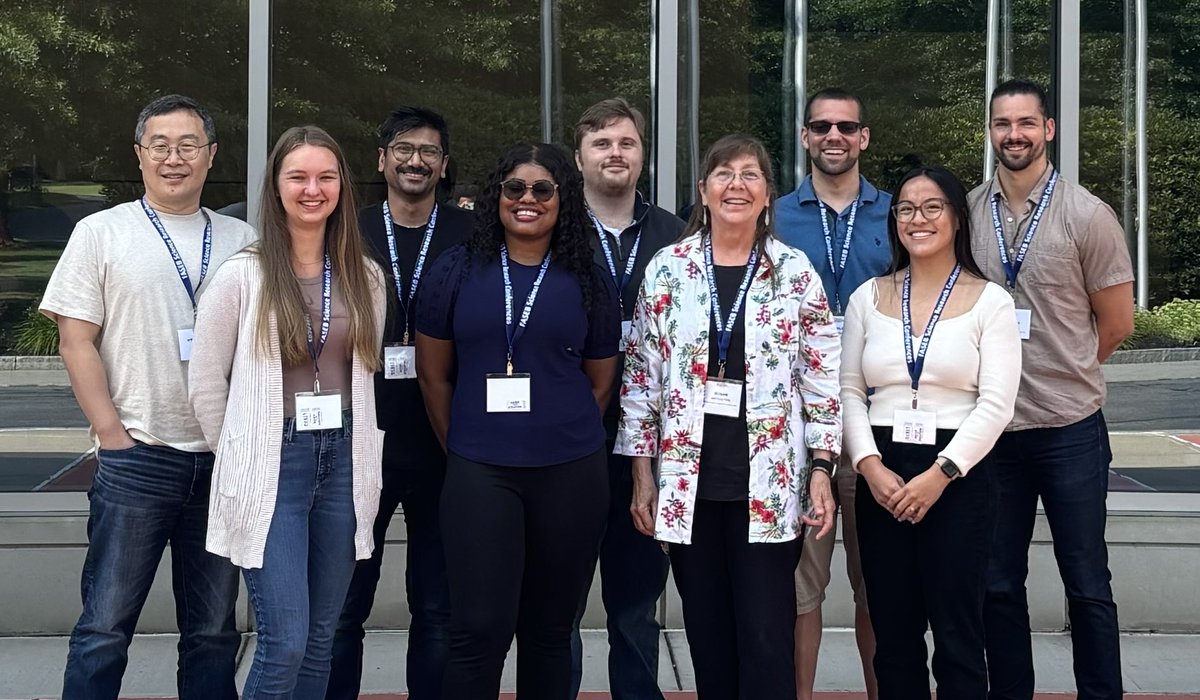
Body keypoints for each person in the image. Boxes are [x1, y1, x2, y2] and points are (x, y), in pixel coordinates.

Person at [40, 94, 251, 699]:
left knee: (212, 631)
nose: (174, 158)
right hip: (139, 455)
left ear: (211, 156)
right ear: (139, 155)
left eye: (188, 145)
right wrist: (113, 435)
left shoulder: (242, 240)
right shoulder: (101, 232)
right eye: (160, 145)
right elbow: (75, 339)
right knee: (105, 626)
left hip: (220, 461)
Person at [617, 134, 840, 699]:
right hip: (688, 487)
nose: (736, 185)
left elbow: (821, 379)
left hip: (769, 488)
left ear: (768, 195)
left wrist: (822, 468)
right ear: (704, 190)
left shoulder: (794, 272)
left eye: (750, 175)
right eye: (723, 174)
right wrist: (642, 475)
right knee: (707, 636)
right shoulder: (669, 269)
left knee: (766, 638)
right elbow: (642, 379)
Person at [415, 143, 620, 699]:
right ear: (496, 196)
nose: (527, 200)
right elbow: (433, 376)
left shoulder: (588, 277)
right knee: (477, 631)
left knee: (551, 632)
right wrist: (464, 443)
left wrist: (560, 433)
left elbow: (602, 380)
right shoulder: (455, 270)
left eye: (542, 190)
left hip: (571, 472)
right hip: (481, 471)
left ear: (563, 200)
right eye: (514, 189)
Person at [188, 125, 386, 697]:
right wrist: (237, 451)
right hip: (274, 461)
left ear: (342, 188)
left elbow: (364, 373)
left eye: (325, 177)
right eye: (297, 177)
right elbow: (205, 379)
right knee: (286, 642)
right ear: (275, 187)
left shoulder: (363, 276)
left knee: (322, 639)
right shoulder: (242, 275)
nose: (312, 189)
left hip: (345, 460)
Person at [971, 79, 1134, 700]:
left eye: (1026, 123)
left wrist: (1066, 373)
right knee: (996, 583)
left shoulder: (1088, 215)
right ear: (990, 132)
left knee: (1087, 582)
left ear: (1049, 130)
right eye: (1002, 123)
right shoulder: (968, 209)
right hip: (994, 433)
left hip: (1070, 429)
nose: (1014, 134)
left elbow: (1116, 324)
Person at [841, 165, 1020, 697]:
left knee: (958, 631)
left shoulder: (991, 302)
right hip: (882, 471)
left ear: (957, 219)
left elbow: (997, 403)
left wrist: (941, 474)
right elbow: (849, 391)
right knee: (893, 635)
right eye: (906, 209)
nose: (918, 219)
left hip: (958, 475)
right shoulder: (866, 299)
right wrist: (869, 467)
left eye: (932, 207)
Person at [327, 106, 472, 700]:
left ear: (443, 165)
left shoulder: (472, 235)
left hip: (444, 443)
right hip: (359, 444)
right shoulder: (345, 229)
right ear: (381, 159)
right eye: (404, 150)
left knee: (438, 609)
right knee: (343, 607)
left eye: (429, 152)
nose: (417, 161)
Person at [773, 87, 890, 700]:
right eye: (822, 127)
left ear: (864, 136)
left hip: (880, 421)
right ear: (805, 136)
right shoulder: (773, 215)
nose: (834, 136)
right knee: (801, 589)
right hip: (798, 427)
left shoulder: (899, 214)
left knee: (879, 586)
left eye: (847, 126)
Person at [569, 97, 684, 699]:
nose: (616, 153)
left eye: (627, 143)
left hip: (654, 443)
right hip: (569, 438)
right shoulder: (552, 228)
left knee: (636, 601)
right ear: (580, 156)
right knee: (559, 597)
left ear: (642, 154)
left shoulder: (677, 233)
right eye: (602, 143)